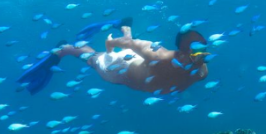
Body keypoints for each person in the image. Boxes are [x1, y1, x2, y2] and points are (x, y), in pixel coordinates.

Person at [18, 21, 210, 94]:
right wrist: (111, 46)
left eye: (202, 48)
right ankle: (66, 49)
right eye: (193, 50)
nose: (200, 54)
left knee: (97, 56)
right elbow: (125, 44)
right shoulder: (160, 56)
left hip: (136, 68)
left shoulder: (202, 72)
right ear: (181, 51)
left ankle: (122, 27)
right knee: (94, 59)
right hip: (119, 67)